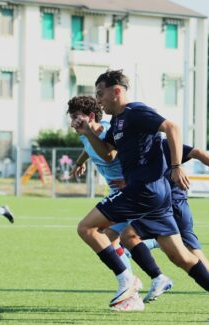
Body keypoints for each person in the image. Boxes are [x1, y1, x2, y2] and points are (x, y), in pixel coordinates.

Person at [74, 70, 209, 322]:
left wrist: (175, 166)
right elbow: (107, 154)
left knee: (87, 228)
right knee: (180, 256)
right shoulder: (117, 123)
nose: (99, 100)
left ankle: (127, 282)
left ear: (117, 91)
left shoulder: (136, 112)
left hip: (142, 189)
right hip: (157, 195)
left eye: (101, 94)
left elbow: (171, 127)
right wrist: (87, 131)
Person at [122, 139, 209, 313]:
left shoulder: (163, 144)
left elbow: (199, 153)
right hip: (157, 208)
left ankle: (153, 278)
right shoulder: (133, 144)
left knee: (201, 265)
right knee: (125, 235)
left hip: (174, 209)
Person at [67, 96, 169, 308]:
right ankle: (135, 290)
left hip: (131, 191)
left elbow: (109, 155)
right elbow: (89, 147)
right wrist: (79, 162)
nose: (72, 123)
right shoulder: (86, 133)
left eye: (76, 117)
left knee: (94, 232)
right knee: (112, 239)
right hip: (121, 191)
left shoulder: (104, 130)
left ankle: (133, 280)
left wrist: (86, 132)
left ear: (91, 117)